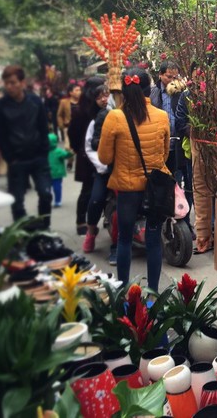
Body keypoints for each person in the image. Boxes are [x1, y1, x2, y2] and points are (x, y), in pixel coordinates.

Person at [98, 68, 170, 291]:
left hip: (127, 189)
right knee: (153, 240)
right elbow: (165, 153)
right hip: (155, 189)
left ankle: (123, 291)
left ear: (123, 91)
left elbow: (104, 157)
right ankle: (154, 295)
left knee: (125, 240)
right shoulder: (162, 116)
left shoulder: (115, 117)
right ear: (149, 88)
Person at [0, 65, 53, 228]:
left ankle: (44, 229)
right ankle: (23, 233)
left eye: (12, 82)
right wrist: (10, 158)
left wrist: (44, 150)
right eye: (6, 83)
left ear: (22, 82)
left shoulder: (35, 101)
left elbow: (43, 126)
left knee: (45, 194)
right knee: (17, 201)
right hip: (16, 160)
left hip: (38, 157)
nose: (9, 86)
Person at [68, 77, 105, 238]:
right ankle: (81, 222)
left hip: (102, 153)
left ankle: (101, 218)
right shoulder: (80, 111)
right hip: (86, 155)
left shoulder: (103, 110)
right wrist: (79, 150)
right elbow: (72, 133)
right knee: (87, 190)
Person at [84, 84, 115, 258]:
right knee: (96, 200)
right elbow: (89, 148)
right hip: (102, 170)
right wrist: (102, 165)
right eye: (99, 97)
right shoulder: (93, 122)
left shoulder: (116, 115)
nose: (103, 99)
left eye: (106, 95)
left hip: (120, 169)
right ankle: (90, 231)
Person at [150, 60, 184, 175]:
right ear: (160, 74)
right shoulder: (152, 93)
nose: (172, 80)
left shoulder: (181, 92)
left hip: (178, 144)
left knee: (177, 179)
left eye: (175, 77)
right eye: (169, 77)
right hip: (159, 145)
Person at [47, 133, 72, 207]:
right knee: (57, 188)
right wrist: (71, 153)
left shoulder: (44, 151)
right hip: (57, 174)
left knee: (47, 189)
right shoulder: (58, 151)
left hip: (47, 173)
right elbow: (66, 155)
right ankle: (58, 201)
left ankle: (49, 201)